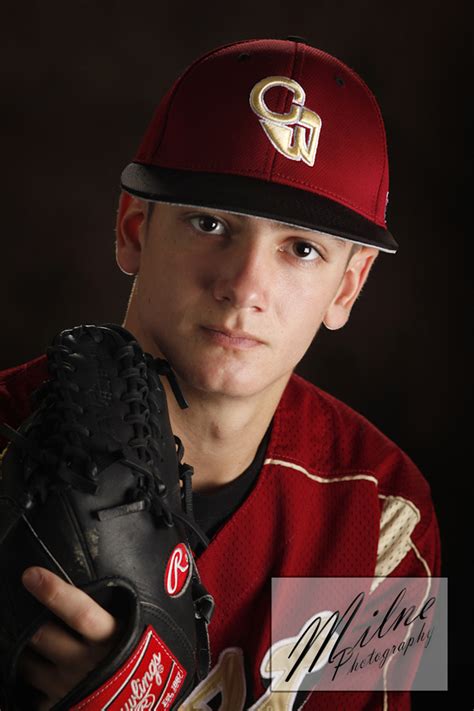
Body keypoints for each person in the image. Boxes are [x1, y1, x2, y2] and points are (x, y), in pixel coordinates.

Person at [0, 37, 440, 709]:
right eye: (210, 222)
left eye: (301, 248)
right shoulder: (6, 439)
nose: (245, 285)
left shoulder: (379, 512)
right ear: (134, 228)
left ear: (348, 286)